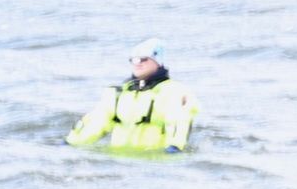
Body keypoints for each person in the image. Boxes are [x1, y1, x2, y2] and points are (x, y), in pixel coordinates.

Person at [66, 37, 198, 153]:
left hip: (155, 163)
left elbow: (179, 123)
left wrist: (174, 148)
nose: (137, 63)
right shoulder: (118, 93)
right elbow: (97, 123)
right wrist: (70, 143)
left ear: (158, 61)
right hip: (120, 163)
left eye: (143, 59)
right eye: (133, 59)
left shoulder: (173, 91)